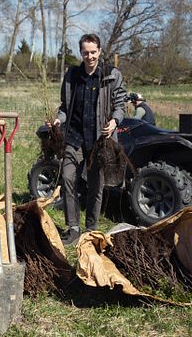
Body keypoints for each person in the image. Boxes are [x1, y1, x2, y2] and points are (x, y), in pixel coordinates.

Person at [52, 34, 127, 245]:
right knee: (67, 178)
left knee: (96, 185)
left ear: (100, 51)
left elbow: (121, 106)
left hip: (99, 141)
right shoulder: (72, 76)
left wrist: (114, 121)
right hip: (74, 137)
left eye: (93, 52)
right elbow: (65, 108)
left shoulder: (111, 75)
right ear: (81, 53)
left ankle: (91, 228)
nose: (90, 56)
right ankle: (73, 227)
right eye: (86, 52)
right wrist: (58, 121)